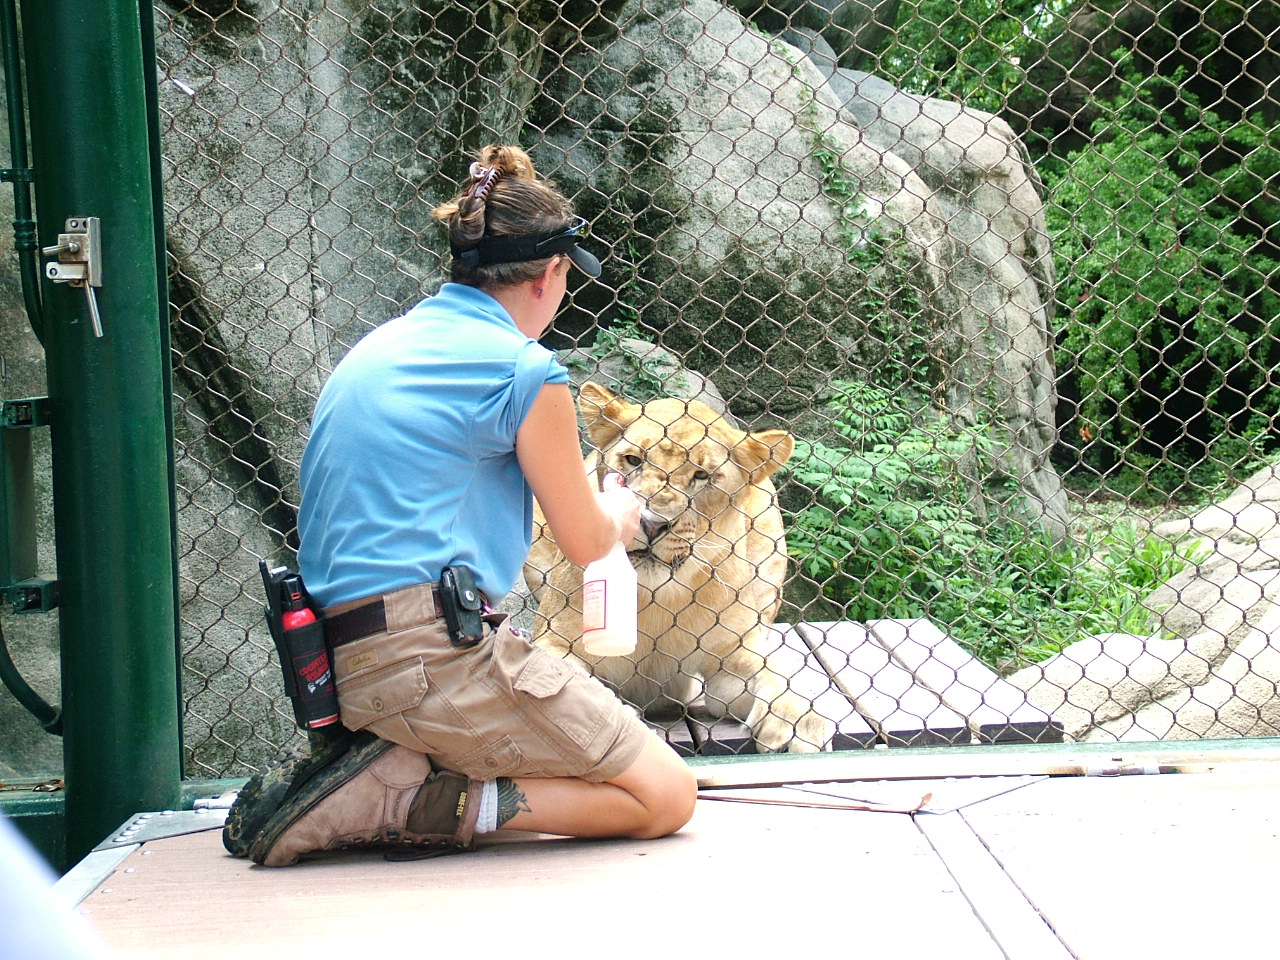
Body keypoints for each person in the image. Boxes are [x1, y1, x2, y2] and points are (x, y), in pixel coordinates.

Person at [223, 144, 698, 867]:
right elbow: (585, 539)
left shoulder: (385, 344)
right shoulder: (524, 370)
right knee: (664, 795)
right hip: (428, 662)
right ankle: (398, 801)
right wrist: (624, 517)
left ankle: (403, 768)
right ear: (552, 274)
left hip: (341, 661)